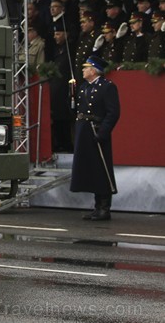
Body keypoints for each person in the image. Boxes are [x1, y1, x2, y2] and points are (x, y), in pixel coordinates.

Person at [70, 54, 120, 221]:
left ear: (94, 70)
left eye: (86, 68)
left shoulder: (107, 87)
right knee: (90, 169)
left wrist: (103, 132)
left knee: (102, 169)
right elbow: (77, 110)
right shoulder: (84, 87)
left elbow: (113, 112)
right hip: (84, 130)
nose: (83, 70)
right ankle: (97, 206)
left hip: (96, 129)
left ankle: (104, 207)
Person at [49, 22, 74, 153]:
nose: (55, 37)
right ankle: (59, 143)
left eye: (58, 34)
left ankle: (67, 143)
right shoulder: (58, 49)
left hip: (65, 88)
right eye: (54, 34)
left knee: (65, 118)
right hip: (56, 89)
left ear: (66, 34)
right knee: (57, 117)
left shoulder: (70, 49)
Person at [74, 11, 99, 83]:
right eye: (81, 23)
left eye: (84, 22)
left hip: (91, 74)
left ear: (91, 23)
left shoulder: (97, 36)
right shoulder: (83, 36)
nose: (81, 25)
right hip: (80, 72)